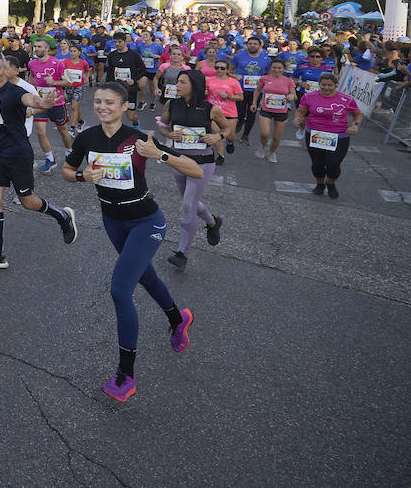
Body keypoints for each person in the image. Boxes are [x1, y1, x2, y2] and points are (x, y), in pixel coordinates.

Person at [61, 83, 197, 402]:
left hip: (147, 221)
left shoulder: (138, 139)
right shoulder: (87, 138)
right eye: (98, 102)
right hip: (113, 222)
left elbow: (195, 171)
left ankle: (126, 375)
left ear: (124, 107)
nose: (103, 106)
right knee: (145, 275)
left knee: (121, 289)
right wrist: (82, 177)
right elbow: (67, 170)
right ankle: (178, 319)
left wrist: (160, 153)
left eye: (110, 102)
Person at [0, 53, 78, 267]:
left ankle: (62, 216)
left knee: (28, 202)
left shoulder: (16, 92)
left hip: (18, 154)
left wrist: (43, 102)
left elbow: (32, 100)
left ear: (6, 70)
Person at [156, 70, 227, 271]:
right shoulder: (171, 104)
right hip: (178, 160)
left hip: (202, 162)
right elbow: (162, 126)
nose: (176, 85)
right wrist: (169, 133)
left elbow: (229, 128)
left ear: (194, 85)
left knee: (188, 204)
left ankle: (182, 253)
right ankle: (213, 222)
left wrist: (217, 137)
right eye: (177, 82)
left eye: (182, 82)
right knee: (192, 203)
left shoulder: (210, 109)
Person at [294, 72, 363, 199]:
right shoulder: (309, 97)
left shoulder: (346, 99)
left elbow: (357, 114)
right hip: (315, 134)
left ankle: (330, 183)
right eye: (323, 85)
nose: (326, 88)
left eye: (330, 85)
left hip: (339, 136)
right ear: (319, 84)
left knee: (333, 165)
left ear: (336, 85)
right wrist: (298, 119)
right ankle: (320, 184)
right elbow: (300, 111)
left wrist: (355, 125)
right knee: (317, 164)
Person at [27, 39, 75, 172]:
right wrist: (30, 89)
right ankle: (50, 159)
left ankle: (69, 154)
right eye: (35, 46)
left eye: (39, 47)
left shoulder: (58, 63)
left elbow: (69, 82)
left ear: (46, 49)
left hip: (56, 103)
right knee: (40, 132)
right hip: (40, 103)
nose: (36, 49)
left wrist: (54, 82)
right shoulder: (32, 63)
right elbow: (31, 78)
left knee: (63, 131)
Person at [231, 36, 272, 145]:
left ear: (260, 46)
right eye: (250, 43)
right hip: (240, 89)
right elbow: (229, 70)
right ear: (247, 45)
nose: (252, 45)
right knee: (240, 112)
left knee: (251, 112)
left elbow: (268, 75)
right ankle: (240, 122)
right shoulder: (239, 56)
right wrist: (234, 76)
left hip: (256, 90)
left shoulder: (266, 59)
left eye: (255, 44)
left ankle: (245, 135)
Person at [254, 58, 296, 162]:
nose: (277, 70)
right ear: (270, 68)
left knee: (276, 137)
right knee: (265, 133)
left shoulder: (288, 80)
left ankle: (272, 152)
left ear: (284, 69)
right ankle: (263, 147)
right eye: (274, 68)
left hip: (281, 112)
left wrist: (291, 95)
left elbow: (294, 95)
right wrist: (254, 103)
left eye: (279, 68)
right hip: (266, 109)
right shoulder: (264, 78)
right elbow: (258, 90)